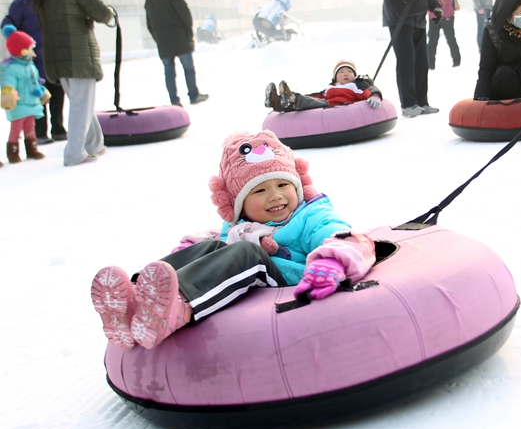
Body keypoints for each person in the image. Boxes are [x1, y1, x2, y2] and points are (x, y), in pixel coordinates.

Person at [89, 130, 377, 350]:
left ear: (297, 186)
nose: (275, 196)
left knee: (244, 253)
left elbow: (341, 234)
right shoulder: (238, 226)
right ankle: (138, 297)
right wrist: (191, 250)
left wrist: (331, 261)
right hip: (254, 272)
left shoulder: (311, 215)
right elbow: (214, 241)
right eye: (260, 191)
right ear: (239, 204)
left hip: (291, 280)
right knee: (213, 245)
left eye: (282, 185)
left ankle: (177, 305)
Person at [32, 0, 114, 167]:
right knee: (81, 103)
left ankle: (95, 144)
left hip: (56, 55)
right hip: (78, 53)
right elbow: (100, 12)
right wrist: (110, 13)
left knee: (81, 101)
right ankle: (74, 152)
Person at [2, 0, 66, 143]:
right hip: (31, 59)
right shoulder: (21, 4)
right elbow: (9, 21)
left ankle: (58, 128)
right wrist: (10, 31)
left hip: (54, 56)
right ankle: (40, 132)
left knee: (57, 93)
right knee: (36, 94)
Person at [144, 0, 209, 106]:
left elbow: (149, 24)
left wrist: (158, 38)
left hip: (163, 41)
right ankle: (193, 95)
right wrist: (188, 32)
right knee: (188, 68)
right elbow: (184, 13)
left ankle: (174, 101)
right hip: (179, 39)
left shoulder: (149, 0)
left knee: (169, 71)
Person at [1, 26, 50, 163]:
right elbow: (8, 82)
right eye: (29, 48)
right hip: (19, 104)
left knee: (30, 128)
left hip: (31, 103)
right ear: (21, 51)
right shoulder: (11, 68)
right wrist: (8, 94)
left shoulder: (30, 65)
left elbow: (35, 82)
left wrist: (43, 93)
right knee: (16, 129)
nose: (32, 52)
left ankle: (32, 149)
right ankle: (13, 152)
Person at [264, 60, 383, 111]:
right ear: (335, 77)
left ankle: (293, 99)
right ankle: (277, 102)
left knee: (310, 103)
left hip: (335, 105)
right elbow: (318, 95)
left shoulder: (355, 85)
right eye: (341, 72)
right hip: (325, 103)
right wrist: (302, 96)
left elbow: (368, 90)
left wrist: (375, 95)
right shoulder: (331, 87)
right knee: (309, 101)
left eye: (349, 71)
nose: (345, 74)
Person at [426, 0, 461, 69]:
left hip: (446, 16)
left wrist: (443, 14)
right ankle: (430, 64)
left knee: (450, 39)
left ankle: (457, 61)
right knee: (432, 41)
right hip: (433, 17)